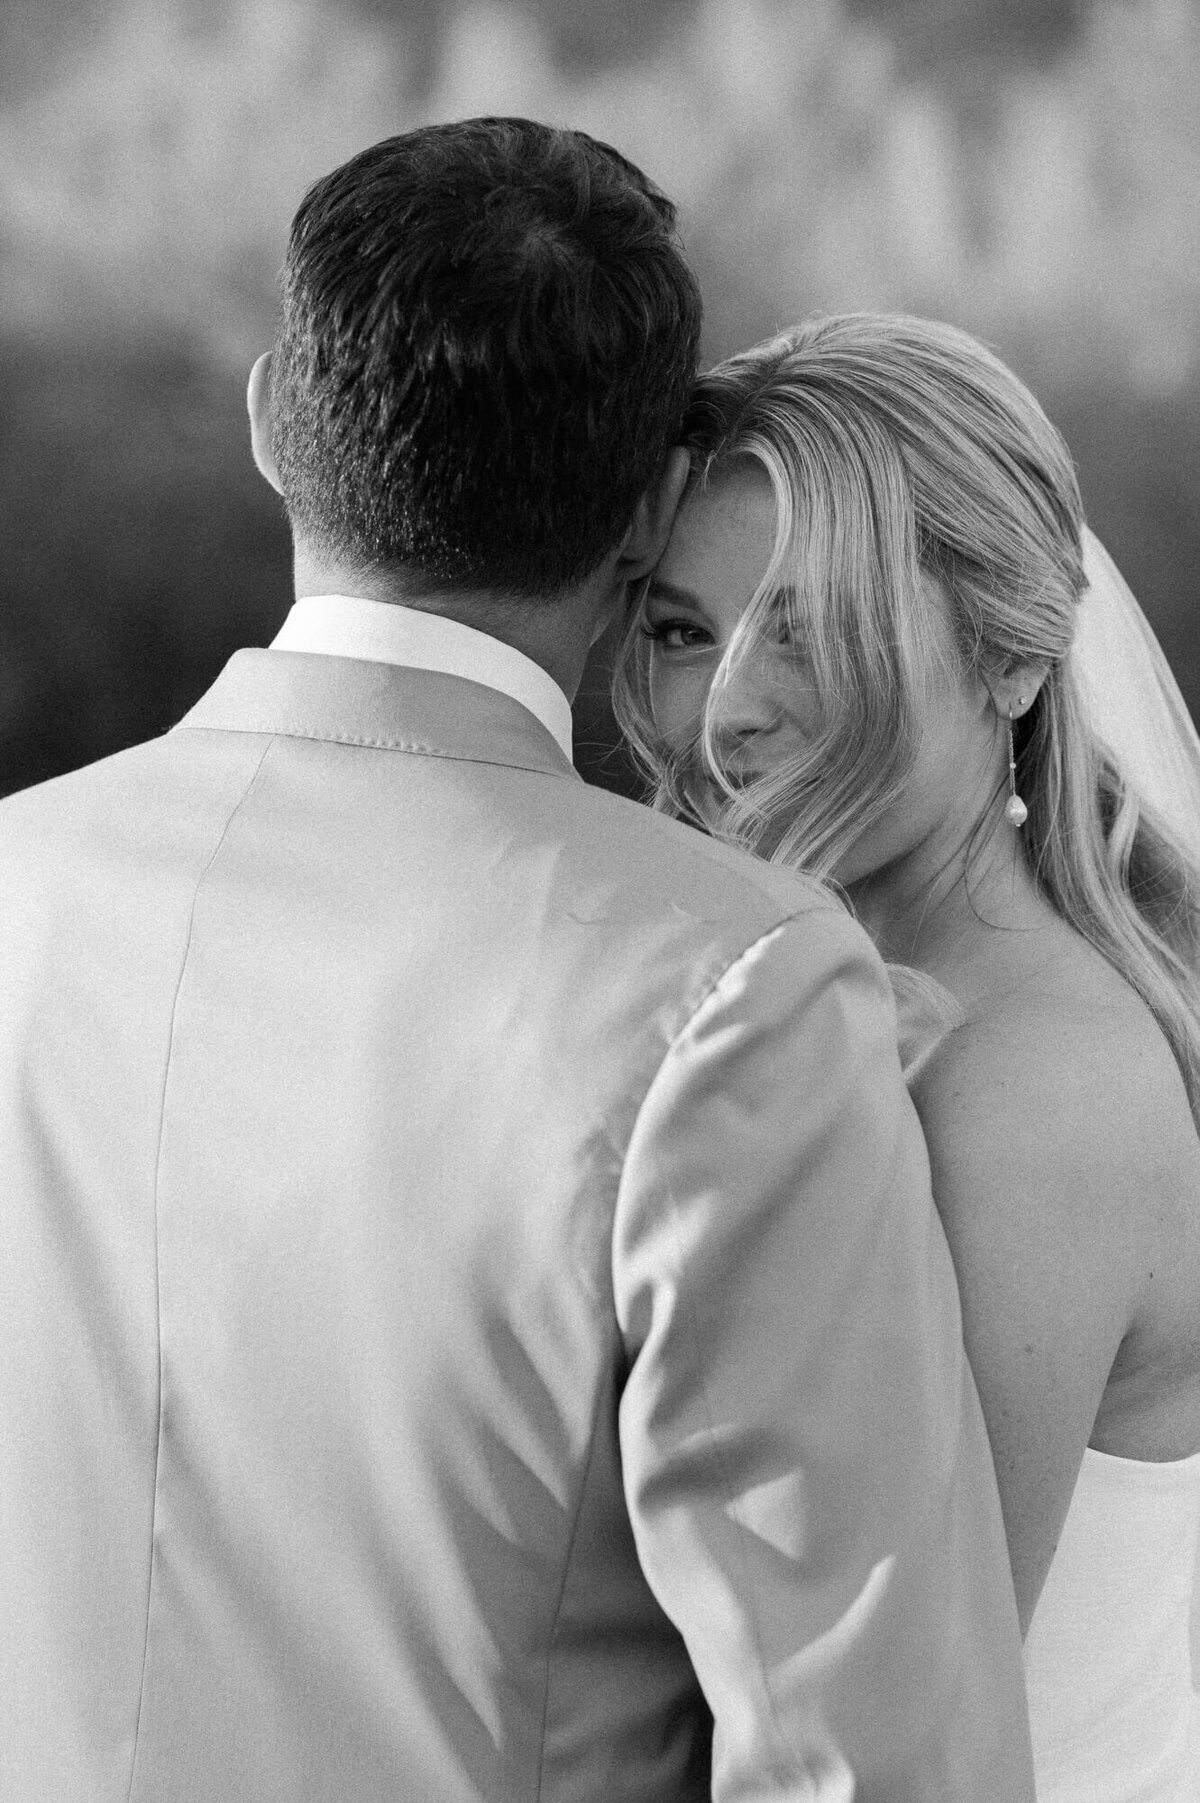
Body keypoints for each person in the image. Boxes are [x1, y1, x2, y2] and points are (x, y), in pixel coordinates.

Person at [0, 128, 1032, 1802]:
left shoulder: (13, 886)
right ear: (646, 516)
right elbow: (875, 1754)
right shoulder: (736, 990)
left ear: (274, 416)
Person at [617, 310, 1200, 1801]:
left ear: (1011, 660)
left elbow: (886, 1720)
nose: (727, 708)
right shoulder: (802, 1004)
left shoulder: (1035, 1093)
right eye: (684, 629)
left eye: (811, 627)